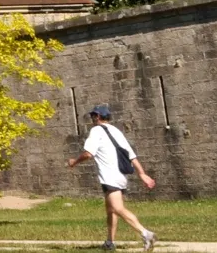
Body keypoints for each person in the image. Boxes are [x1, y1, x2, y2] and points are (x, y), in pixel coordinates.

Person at [67, 104, 157, 251]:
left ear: (97, 117)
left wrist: (74, 162)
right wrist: (142, 174)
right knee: (111, 210)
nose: (91, 119)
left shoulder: (96, 131)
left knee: (117, 208)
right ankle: (110, 242)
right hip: (120, 176)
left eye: (92, 116)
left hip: (110, 177)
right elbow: (131, 155)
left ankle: (146, 233)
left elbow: (88, 153)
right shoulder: (116, 131)